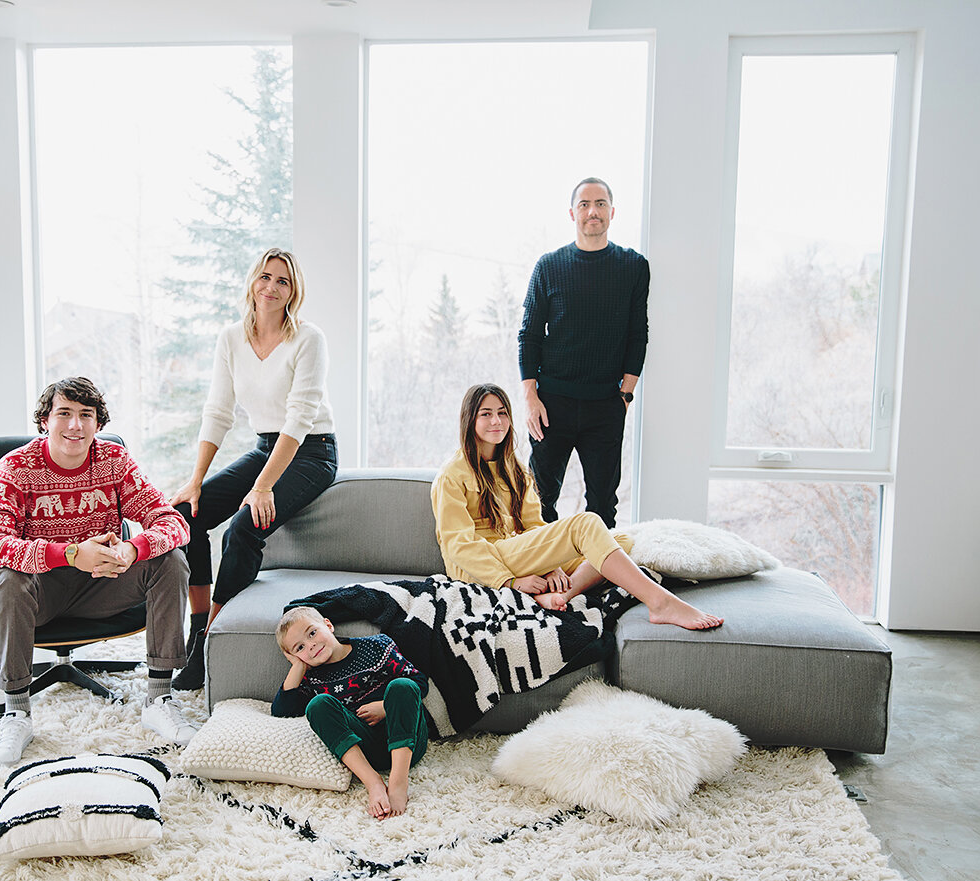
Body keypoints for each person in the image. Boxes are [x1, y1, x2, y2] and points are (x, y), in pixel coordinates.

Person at [0, 377, 195, 768]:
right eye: (64, 414)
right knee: (7, 577)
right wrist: (72, 554)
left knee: (170, 558)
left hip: (104, 585)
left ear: (98, 424)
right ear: (45, 420)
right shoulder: (16, 468)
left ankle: (159, 698)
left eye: (86, 416)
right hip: (40, 592)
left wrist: (133, 547)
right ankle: (17, 714)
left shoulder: (114, 461)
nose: (75, 426)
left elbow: (172, 522)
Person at [169, 247, 338, 690]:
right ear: (252, 283)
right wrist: (195, 481)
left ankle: (212, 642)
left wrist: (262, 487)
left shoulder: (308, 338)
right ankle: (198, 627)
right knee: (187, 517)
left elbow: (300, 418)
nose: (272, 287)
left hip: (311, 450)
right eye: (266, 277)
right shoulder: (231, 338)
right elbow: (218, 411)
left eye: (283, 281)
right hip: (267, 445)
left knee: (243, 528)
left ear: (293, 290)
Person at [431, 383, 723, 629]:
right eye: (486, 414)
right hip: (479, 565)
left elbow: (533, 526)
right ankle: (659, 602)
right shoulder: (452, 474)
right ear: (470, 420)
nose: (496, 421)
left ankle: (558, 595)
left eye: (502, 413)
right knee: (586, 525)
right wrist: (510, 582)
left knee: (620, 541)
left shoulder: (514, 469)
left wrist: (551, 566)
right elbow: (459, 544)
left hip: (515, 551)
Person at [518, 177, 648, 527]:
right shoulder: (549, 266)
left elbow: (638, 335)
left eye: (601, 204)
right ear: (572, 213)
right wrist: (531, 398)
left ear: (612, 211)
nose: (593, 211)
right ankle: (544, 577)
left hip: (606, 405)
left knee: (603, 508)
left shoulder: (633, 267)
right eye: (585, 205)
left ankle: (598, 581)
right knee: (537, 504)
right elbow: (528, 335)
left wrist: (626, 395)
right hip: (551, 405)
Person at [271, 606, 429, 820]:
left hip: (408, 740)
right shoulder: (312, 679)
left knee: (403, 685)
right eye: (300, 648)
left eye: (312, 633)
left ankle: (398, 781)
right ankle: (373, 782)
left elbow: (419, 682)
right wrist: (298, 667)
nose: (311, 645)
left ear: (328, 625)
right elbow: (282, 711)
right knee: (318, 705)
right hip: (365, 748)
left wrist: (384, 707)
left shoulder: (377, 646)